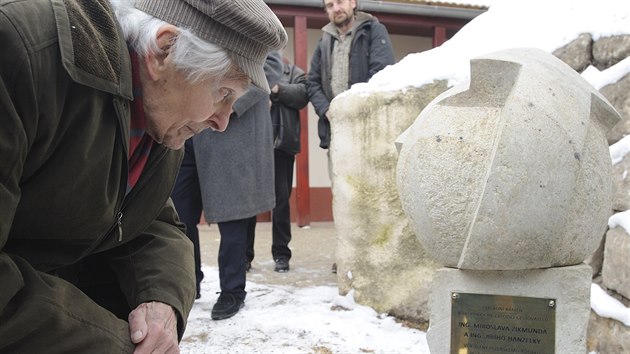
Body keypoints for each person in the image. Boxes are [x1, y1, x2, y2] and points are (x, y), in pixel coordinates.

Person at [0, 0, 286, 352]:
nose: (222, 121)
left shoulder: (159, 113)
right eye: (223, 93)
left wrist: (162, 301)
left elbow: (151, 221)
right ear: (164, 51)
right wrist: (117, 343)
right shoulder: (19, 50)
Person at [171, 51, 283, 320]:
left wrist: (224, 103)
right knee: (178, 216)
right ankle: (188, 283)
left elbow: (270, 68)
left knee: (233, 217)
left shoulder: (248, 10)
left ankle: (232, 291)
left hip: (231, 133)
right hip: (190, 133)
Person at [307, 0, 395, 273]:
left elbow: (382, 74)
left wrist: (353, 109)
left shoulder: (373, 31)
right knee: (342, 193)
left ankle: (372, 254)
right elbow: (312, 82)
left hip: (366, 130)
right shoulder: (324, 40)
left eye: (341, 2)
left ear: (353, 3)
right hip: (336, 133)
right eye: (330, 4)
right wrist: (327, 110)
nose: (336, 8)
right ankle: (347, 253)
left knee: (370, 192)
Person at [246, 58, 309, 273]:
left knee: (281, 201)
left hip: (282, 145)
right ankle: (245, 256)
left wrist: (275, 89)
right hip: (253, 144)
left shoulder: (294, 72)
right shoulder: (252, 67)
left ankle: (281, 254)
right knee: (248, 203)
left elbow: (302, 94)